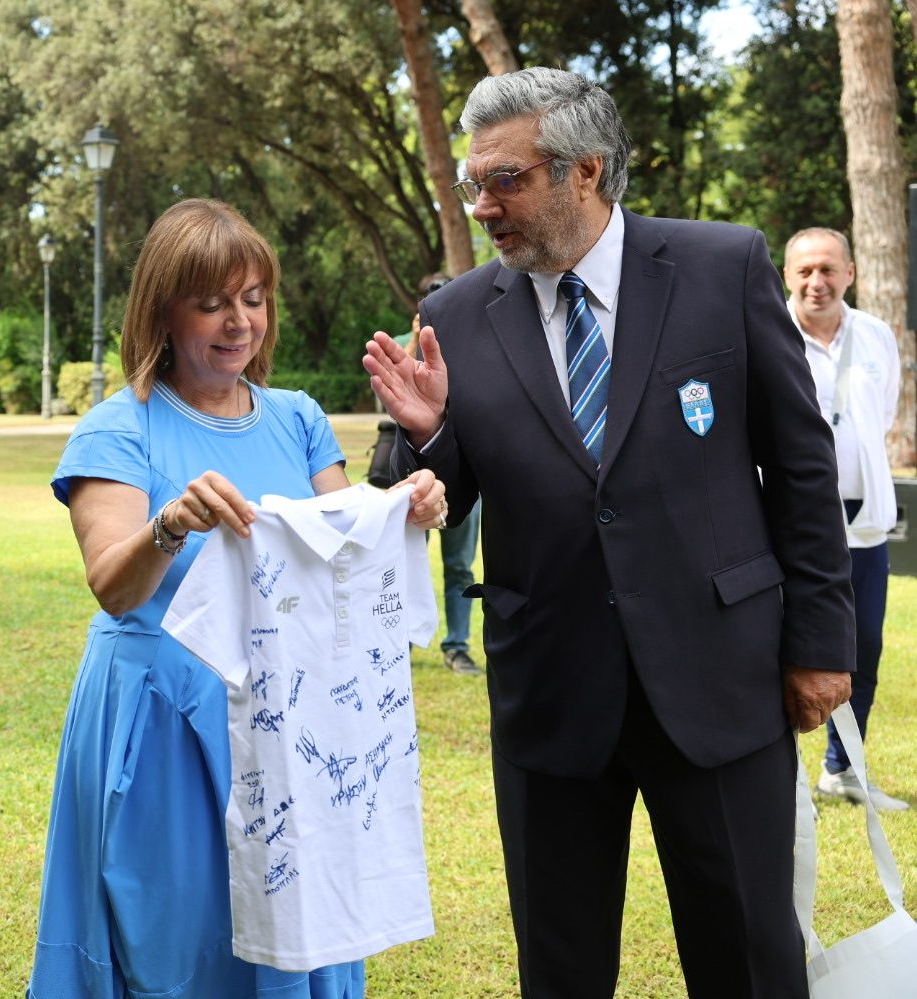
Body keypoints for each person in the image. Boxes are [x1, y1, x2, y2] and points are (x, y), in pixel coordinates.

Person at [364, 67, 854, 997]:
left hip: (719, 676)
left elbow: (801, 467)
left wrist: (822, 644)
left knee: (750, 957)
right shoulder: (455, 315)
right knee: (561, 967)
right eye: (473, 184)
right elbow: (429, 495)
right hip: (551, 688)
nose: (482, 207)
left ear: (584, 170)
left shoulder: (722, 266)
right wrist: (427, 435)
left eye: (504, 181)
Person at [29, 198, 446, 998]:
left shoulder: (298, 418)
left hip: (286, 718)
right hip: (162, 724)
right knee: (178, 941)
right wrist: (170, 524)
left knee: (289, 921)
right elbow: (112, 587)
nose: (239, 322)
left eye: (253, 299)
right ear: (162, 310)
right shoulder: (120, 427)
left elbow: (343, 556)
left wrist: (411, 507)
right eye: (212, 302)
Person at [784, 227, 905, 811]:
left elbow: (882, 417)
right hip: (789, 533)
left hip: (865, 529)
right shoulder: (768, 332)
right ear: (787, 276)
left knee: (862, 651)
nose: (817, 281)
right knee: (779, 653)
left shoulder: (876, 335)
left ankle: (843, 770)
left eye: (829, 269)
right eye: (805, 270)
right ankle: (779, 779)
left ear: (850, 273)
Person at [397, 274, 484, 676]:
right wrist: (417, 337)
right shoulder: (405, 342)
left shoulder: (472, 342)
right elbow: (391, 392)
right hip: (412, 474)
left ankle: (457, 646)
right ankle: (400, 642)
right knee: (404, 562)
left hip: (464, 472)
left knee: (460, 565)